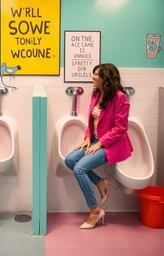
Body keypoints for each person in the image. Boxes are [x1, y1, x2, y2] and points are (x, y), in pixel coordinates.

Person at [65, 63, 133, 229]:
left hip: (111, 144)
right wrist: (88, 137)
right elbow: (92, 120)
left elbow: (120, 128)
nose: (93, 77)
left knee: (79, 169)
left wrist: (101, 143)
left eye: (97, 75)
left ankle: (95, 210)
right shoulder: (96, 94)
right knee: (70, 160)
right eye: (93, 74)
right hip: (95, 141)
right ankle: (101, 182)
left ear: (107, 78)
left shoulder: (119, 97)